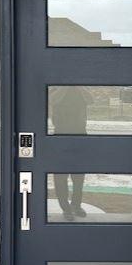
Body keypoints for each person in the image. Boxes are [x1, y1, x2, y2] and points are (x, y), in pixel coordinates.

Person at [50, 86, 93, 221]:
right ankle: (66, 208)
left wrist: (77, 85)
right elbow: (52, 100)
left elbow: (91, 99)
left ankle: (76, 205)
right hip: (60, 137)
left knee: (79, 177)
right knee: (61, 177)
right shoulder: (55, 89)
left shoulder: (81, 90)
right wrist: (65, 85)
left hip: (80, 137)